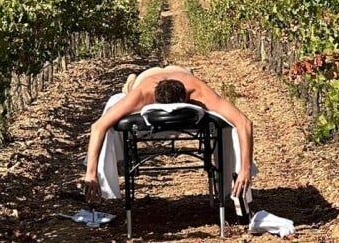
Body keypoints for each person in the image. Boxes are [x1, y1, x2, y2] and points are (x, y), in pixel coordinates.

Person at [84, 65, 253, 203]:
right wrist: (91, 173)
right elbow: (98, 127)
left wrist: (245, 170)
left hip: (182, 72)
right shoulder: (143, 94)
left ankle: (229, 193)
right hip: (146, 77)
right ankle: (131, 80)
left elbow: (244, 123)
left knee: (226, 126)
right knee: (128, 90)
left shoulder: (198, 91)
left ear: (187, 99)